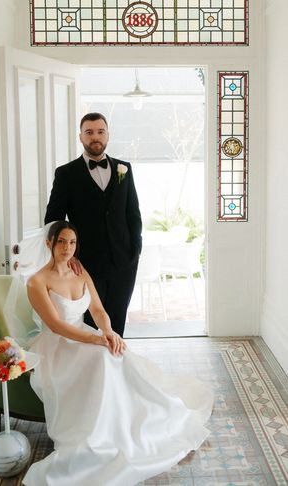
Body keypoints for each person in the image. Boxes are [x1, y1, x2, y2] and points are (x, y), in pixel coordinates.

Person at [22, 220, 213, 486]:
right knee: (102, 357)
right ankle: (97, 434)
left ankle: (124, 425)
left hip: (85, 335)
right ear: (49, 243)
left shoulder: (79, 271)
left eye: (73, 242)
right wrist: (96, 340)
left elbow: (98, 310)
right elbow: (56, 325)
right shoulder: (36, 282)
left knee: (115, 353)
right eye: (62, 242)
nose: (67, 248)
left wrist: (108, 332)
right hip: (58, 346)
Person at [45, 112, 142, 337]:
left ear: (108, 135)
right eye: (89, 132)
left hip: (124, 262)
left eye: (100, 131)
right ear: (81, 137)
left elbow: (133, 215)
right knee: (90, 324)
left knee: (117, 323)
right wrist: (69, 256)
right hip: (85, 264)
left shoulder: (124, 169)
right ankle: (94, 370)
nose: (95, 137)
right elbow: (54, 220)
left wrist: (135, 249)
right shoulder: (66, 174)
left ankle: (115, 368)